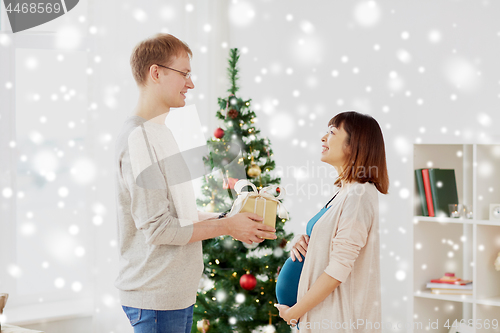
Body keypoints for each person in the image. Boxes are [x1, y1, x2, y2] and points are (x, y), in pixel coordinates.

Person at [114, 33, 277, 333]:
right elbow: (160, 228)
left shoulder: (161, 133)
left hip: (174, 296)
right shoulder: (140, 138)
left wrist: (232, 220)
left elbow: (180, 214)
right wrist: (228, 227)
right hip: (156, 299)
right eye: (185, 74)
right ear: (156, 72)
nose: (191, 84)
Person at [275, 111, 389, 332]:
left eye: (332, 132)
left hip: (333, 320)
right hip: (318, 317)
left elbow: (339, 268)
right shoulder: (345, 192)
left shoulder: (358, 195)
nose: (323, 138)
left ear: (353, 145)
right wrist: (306, 240)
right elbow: (332, 246)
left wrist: (294, 312)